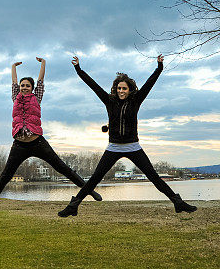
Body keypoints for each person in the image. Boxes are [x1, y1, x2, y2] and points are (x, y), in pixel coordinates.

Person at [57, 54, 197, 217]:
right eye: (119, 88)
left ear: (129, 90)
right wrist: (78, 69)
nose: (121, 91)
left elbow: (149, 84)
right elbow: (92, 85)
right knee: (94, 179)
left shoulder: (135, 101)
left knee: (153, 177)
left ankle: (178, 203)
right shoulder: (109, 101)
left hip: (133, 146)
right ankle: (73, 206)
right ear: (115, 90)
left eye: (124, 88)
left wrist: (159, 67)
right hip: (114, 147)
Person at [0, 57, 102, 220]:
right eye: (22, 86)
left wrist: (43, 64)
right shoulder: (15, 97)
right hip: (19, 145)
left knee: (63, 168)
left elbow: (41, 80)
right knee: (3, 178)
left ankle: (89, 190)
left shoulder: (37, 97)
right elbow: (13, 81)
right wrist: (13, 67)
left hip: (38, 142)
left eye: (28, 85)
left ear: (32, 87)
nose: (24, 88)